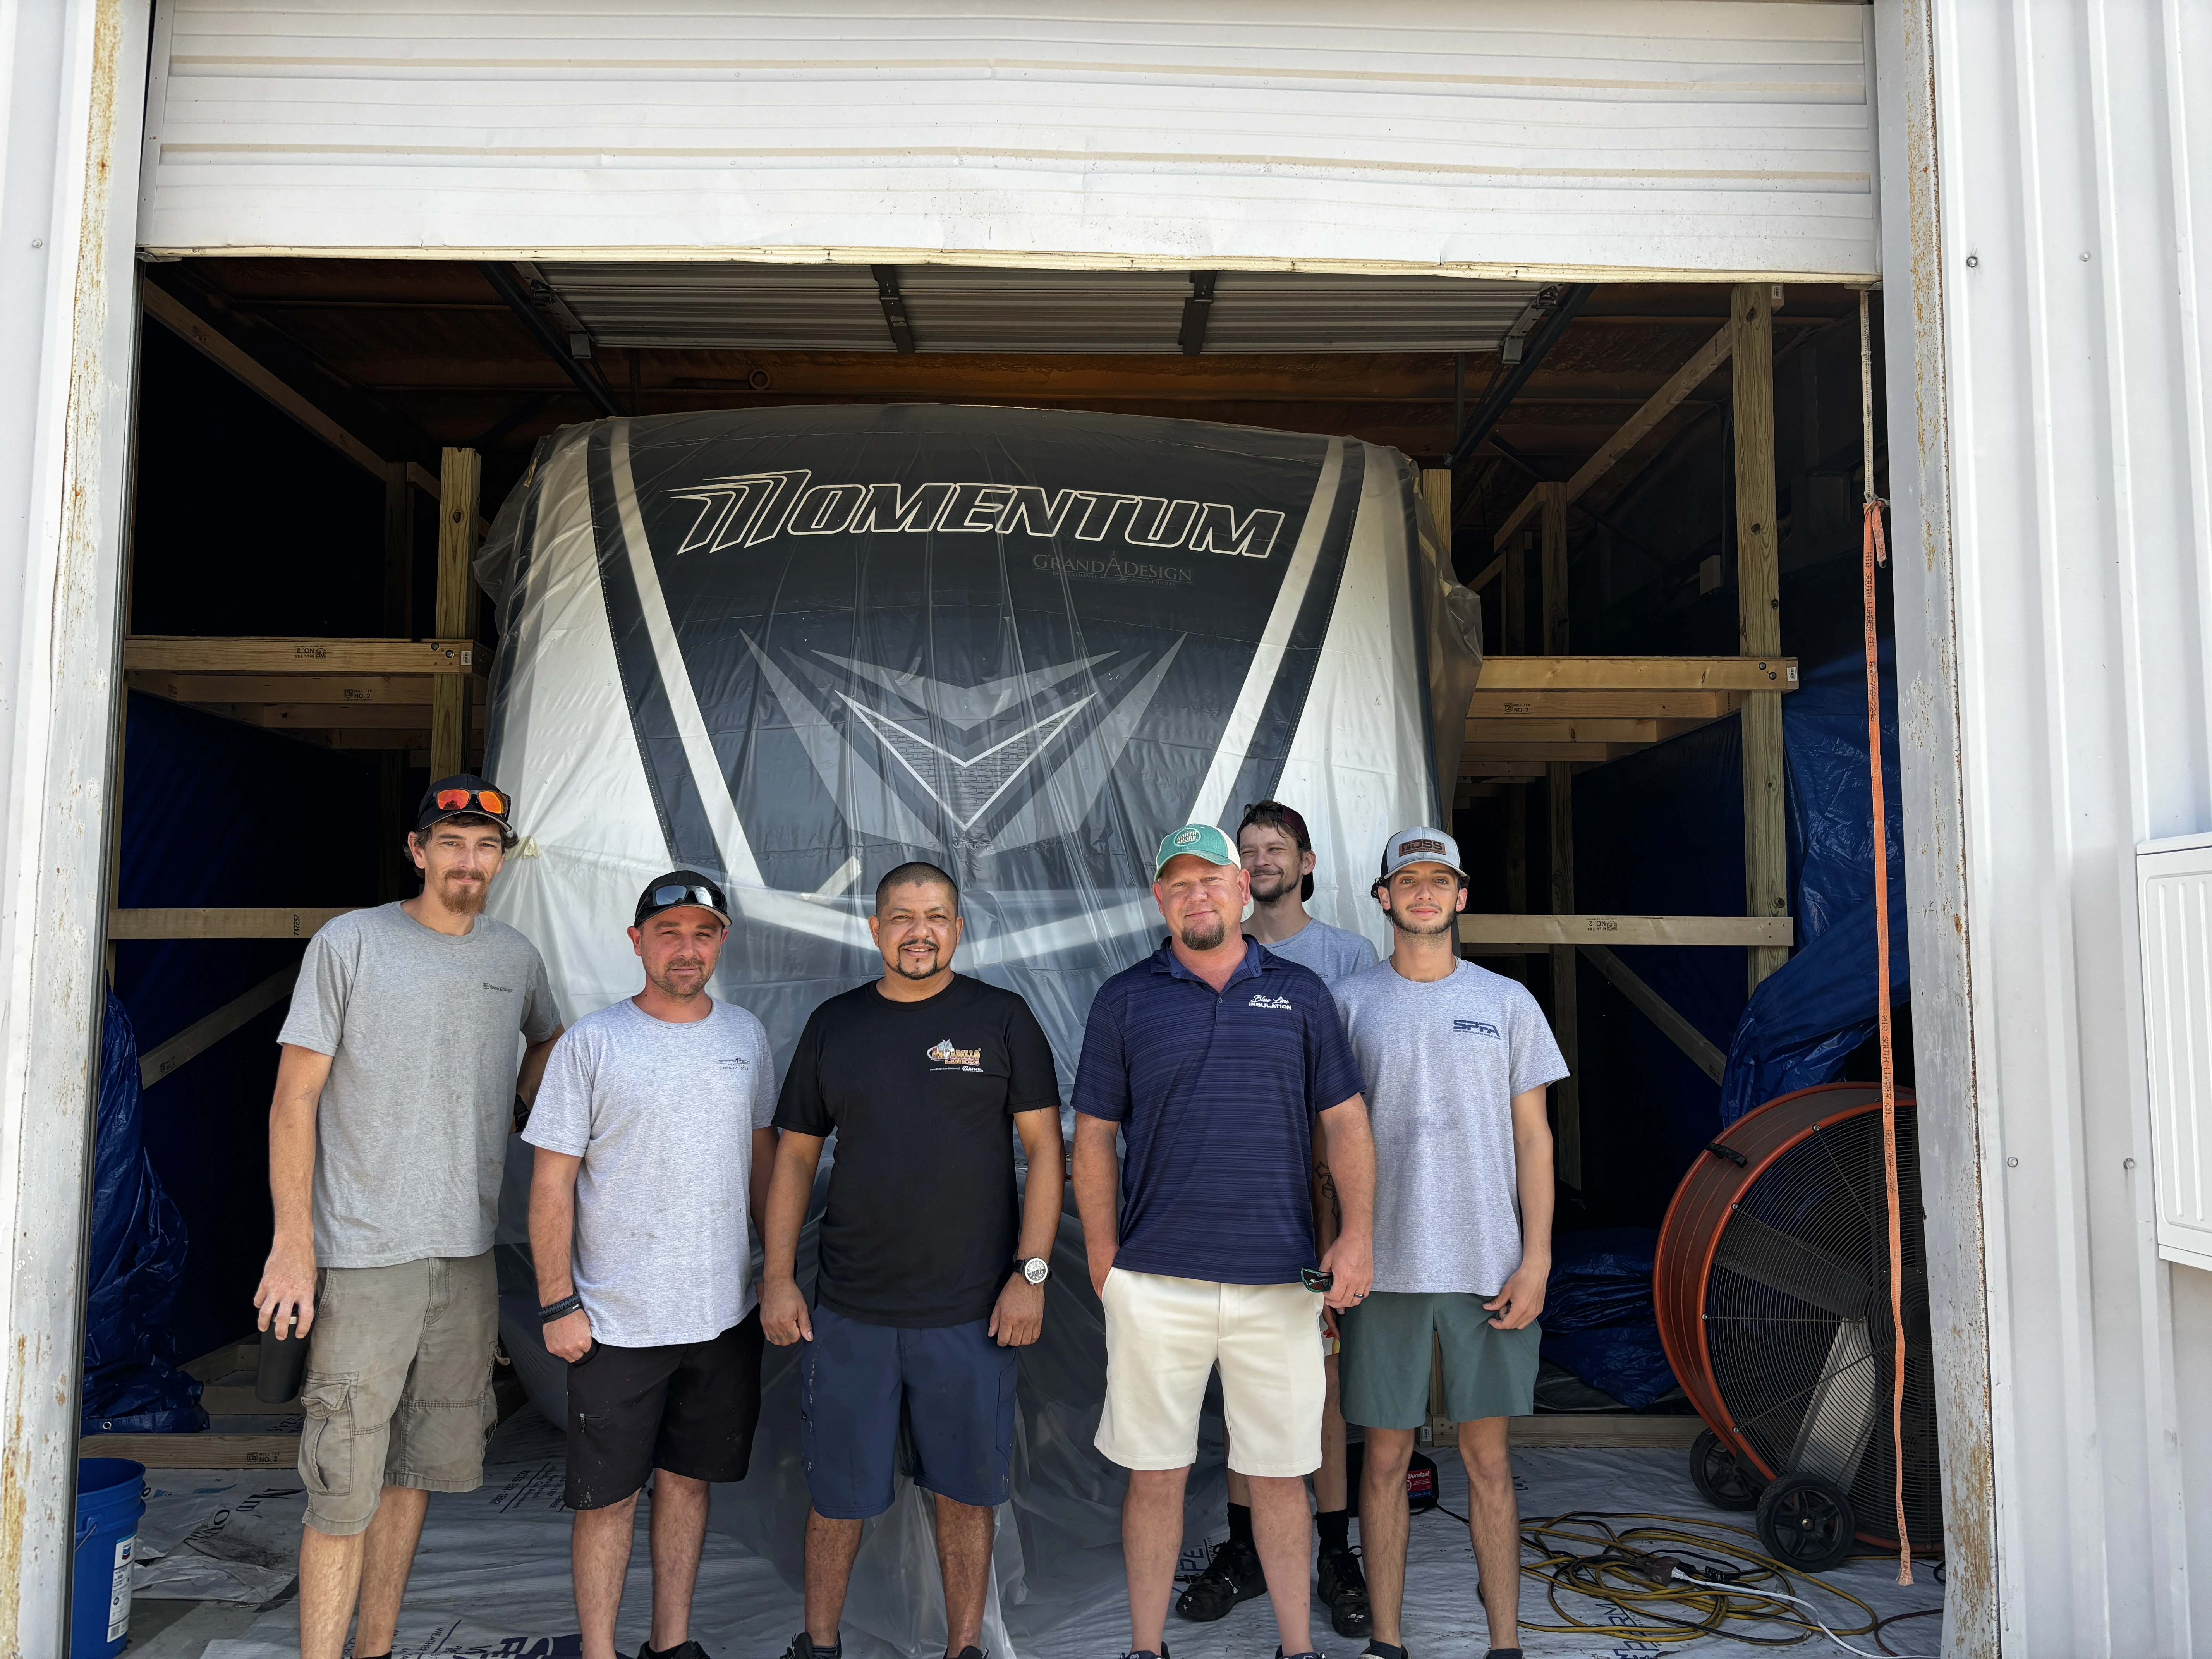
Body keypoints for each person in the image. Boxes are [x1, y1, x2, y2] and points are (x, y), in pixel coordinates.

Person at [255, 775, 564, 1659]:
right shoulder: (351, 943)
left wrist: (520, 1102)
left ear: (501, 860)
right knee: (342, 1483)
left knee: (415, 1470)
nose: (469, 861)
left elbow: (548, 1038)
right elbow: (293, 1100)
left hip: (464, 1259)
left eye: (486, 847)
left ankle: (377, 1649)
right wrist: (292, 1245)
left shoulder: (515, 959)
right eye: (452, 843)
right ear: (418, 850)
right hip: (363, 1258)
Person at [1072, 821, 1378, 1659]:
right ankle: (1146, 1649)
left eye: (1211, 879)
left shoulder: (1302, 994)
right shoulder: (1124, 999)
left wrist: (1357, 1237)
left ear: (1243, 889)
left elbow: (1345, 1121)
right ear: (1159, 899)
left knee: (1280, 1476)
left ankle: (1296, 1648)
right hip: (1155, 1282)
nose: (1196, 895)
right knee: (1155, 1475)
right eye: (1178, 884)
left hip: (1278, 1281)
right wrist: (1103, 1257)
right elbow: (1093, 1136)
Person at [760, 862, 1065, 1659]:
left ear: (959, 928)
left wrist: (1030, 1275)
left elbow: (1046, 1151)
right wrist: (779, 1276)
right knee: (838, 1497)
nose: (919, 932)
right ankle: (819, 1645)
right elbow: (795, 1157)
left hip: (972, 1314)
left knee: (967, 1496)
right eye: (901, 917)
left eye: (935, 917)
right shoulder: (834, 1025)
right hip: (850, 1312)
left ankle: (964, 1648)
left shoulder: (1002, 1019)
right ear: (875, 929)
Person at [525, 871, 778, 1659]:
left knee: (688, 1483)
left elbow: (763, 1161)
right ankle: (600, 1651)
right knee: (606, 1500)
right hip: (615, 1323)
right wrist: (558, 1303)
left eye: (704, 934)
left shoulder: (746, 1036)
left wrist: (775, 1275)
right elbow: (551, 1183)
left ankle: (671, 1645)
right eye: (669, 933)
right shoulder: (592, 1043)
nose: (687, 949)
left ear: (723, 942)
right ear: (637, 942)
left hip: (722, 1315)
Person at [1332, 828, 1565, 1659]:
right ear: (1383, 897)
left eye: (1440, 880)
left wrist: (1537, 1259)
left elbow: (1535, 1139)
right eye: (1409, 881)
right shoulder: (1347, 1003)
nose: (1424, 893)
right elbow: (1324, 1143)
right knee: (1383, 1460)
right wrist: (1331, 1255)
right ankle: (1387, 1642)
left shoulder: (1509, 1002)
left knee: (1489, 1460)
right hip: (1381, 1268)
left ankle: (1506, 1645)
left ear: (1462, 896)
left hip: (1488, 1266)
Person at [1177, 801, 1379, 1636]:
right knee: (1242, 1386)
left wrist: (1347, 1224)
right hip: (1233, 1202)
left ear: (1306, 861)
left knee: (1320, 1385)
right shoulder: (1210, 948)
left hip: (1310, 1202)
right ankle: (1246, 1549)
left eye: (1276, 848)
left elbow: (1352, 1107)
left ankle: (1333, 1551)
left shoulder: (1345, 958)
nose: (1262, 860)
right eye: (1249, 850)